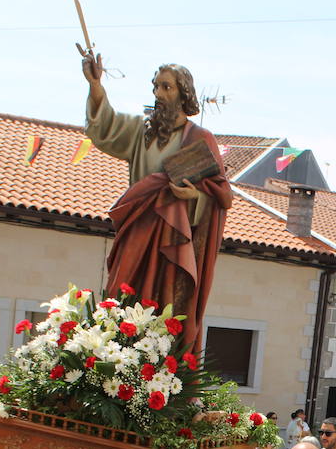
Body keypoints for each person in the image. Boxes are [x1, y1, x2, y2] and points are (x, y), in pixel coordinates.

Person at [82, 57, 231, 350]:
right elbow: (106, 124)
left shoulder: (201, 138)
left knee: (167, 302)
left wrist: (194, 198)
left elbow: (221, 194)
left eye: (167, 87)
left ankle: (160, 363)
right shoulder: (141, 131)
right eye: (156, 87)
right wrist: (95, 84)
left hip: (175, 235)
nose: (159, 94)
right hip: (138, 227)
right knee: (122, 291)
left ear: (183, 93)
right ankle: (117, 352)